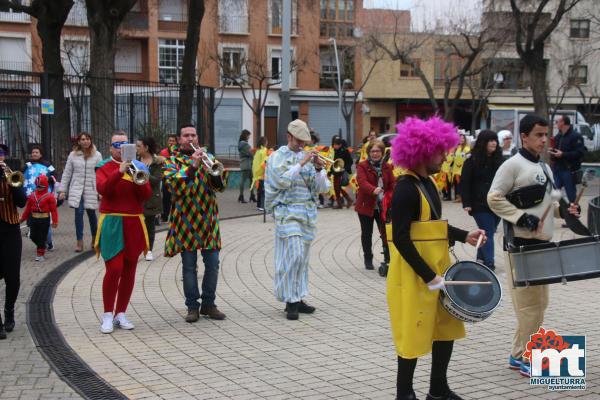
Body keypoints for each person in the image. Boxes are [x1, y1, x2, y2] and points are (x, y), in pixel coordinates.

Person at [388, 116, 485, 400]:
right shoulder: (405, 188)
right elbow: (401, 238)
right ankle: (404, 394)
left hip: (437, 271)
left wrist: (463, 234)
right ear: (422, 150)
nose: (445, 156)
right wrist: (428, 275)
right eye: (441, 151)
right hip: (413, 276)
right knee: (412, 333)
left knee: (446, 329)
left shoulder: (427, 183)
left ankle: (438, 389)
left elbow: (431, 225)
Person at [488, 114, 581, 378]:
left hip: (541, 246)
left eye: (545, 135)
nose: (543, 140)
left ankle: (518, 355)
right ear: (524, 136)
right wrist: (520, 217)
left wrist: (568, 211)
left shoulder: (545, 168)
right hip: (520, 246)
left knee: (538, 305)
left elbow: (551, 204)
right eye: (538, 135)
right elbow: (494, 198)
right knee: (530, 307)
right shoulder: (512, 165)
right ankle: (528, 356)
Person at [265, 119, 330, 320]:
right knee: (293, 254)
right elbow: (281, 181)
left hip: (306, 213)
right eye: (298, 140)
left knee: (302, 258)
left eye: (304, 141)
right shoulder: (277, 157)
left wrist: (319, 169)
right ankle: (290, 300)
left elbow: (323, 188)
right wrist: (301, 163)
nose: (302, 145)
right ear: (289, 137)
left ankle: (299, 297)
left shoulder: (309, 158)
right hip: (286, 212)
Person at [164, 125, 228, 323]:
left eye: (193, 134)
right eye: (186, 135)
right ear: (180, 139)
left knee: (213, 264)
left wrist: (213, 173)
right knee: (189, 266)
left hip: (208, 219)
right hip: (185, 221)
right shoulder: (171, 160)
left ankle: (209, 304)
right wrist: (192, 166)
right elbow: (174, 186)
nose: (190, 138)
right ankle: (192, 306)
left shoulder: (209, 157)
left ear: (198, 137)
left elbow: (221, 187)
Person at [95, 133, 152, 334]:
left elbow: (146, 196)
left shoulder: (139, 167)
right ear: (111, 148)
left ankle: (121, 313)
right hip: (112, 221)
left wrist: (139, 179)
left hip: (134, 221)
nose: (121, 148)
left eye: (125, 144)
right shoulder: (103, 166)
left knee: (129, 270)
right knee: (114, 268)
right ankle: (107, 314)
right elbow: (103, 189)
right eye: (117, 145)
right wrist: (119, 172)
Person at [461, 130, 503, 270]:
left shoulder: (500, 161)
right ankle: (490, 264)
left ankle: (480, 258)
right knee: (489, 232)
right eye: (490, 140)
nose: (494, 143)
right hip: (479, 204)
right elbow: (465, 182)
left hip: (497, 203)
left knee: (488, 231)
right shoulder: (471, 160)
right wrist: (466, 203)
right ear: (482, 143)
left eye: (495, 140)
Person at [58, 132, 103, 252]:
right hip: (77, 189)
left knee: (92, 215)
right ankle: (79, 242)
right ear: (79, 141)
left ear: (91, 140)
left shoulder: (97, 155)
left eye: (87, 139)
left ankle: (95, 239)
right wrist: (62, 190)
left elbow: (101, 173)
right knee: (78, 214)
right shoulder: (73, 155)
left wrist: (101, 190)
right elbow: (67, 173)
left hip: (91, 189)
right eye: (82, 139)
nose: (85, 141)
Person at [0, 144, 27, 339]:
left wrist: (11, 181)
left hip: (10, 229)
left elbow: (21, 202)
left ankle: (9, 310)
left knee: (13, 278)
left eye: (1, 154)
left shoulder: (12, 175)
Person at [355, 140, 394, 270]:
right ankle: (368, 257)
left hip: (383, 205)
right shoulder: (362, 165)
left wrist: (392, 196)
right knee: (367, 233)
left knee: (385, 232)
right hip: (366, 204)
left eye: (378, 151)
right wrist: (373, 189)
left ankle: (387, 257)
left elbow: (392, 184)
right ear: (368, 153)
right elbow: (361, 181)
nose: (375, 153)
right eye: (372, 151)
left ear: (382, 152)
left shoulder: (387, 167)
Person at [23, 145, 57, 250]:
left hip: (45, 196)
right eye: (33, 152)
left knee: (45, 223)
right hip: (31, 196)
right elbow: (21, 177)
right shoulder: (27, 165)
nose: (34, 154)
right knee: (33, 221)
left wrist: (48, 179)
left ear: (41, 154)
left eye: (36, 152)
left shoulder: (48, 164)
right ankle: (41, 243)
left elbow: (55, 175)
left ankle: (48, 242)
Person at [20, 174, 59, 262]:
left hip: (44, 219)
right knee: (32, 236)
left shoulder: (50, 196)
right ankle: (42, 246)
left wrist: (55, 221)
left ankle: (40, 254)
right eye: (37, 186)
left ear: (45, 186)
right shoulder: (32, 195)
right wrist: (22, 218)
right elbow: (28, 209)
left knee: (42, 237)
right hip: (33, 219)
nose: (39, 188)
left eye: (41, 186)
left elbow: (54, 210)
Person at [137, 136, 164, 262]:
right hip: (137, 197)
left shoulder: (157, 161)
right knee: (136, 225)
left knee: (150, 225)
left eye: (139, 146)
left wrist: (143, 172)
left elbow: (156, 180)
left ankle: (149, 250)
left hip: (151, 197)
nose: (136, 148)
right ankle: (137, 249)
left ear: (146, 147)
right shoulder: (135, 160)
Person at [550, 115, 585, 203]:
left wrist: (563, 154)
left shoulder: (576, 136)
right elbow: (557, 151)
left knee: (571, 196)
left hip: (568, 170)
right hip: (557, 169)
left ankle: (573, 214)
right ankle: (553, 212)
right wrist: (552, 152)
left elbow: (580, 153)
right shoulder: (558, 136)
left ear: (563, 123)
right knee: (553, 194)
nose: (556, 124)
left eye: (557, 122)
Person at [330, 137, 354, 209]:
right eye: (334, 144)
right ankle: (347, 200)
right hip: (336, 171)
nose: (335, 146)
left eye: (336, 144)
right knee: (336, 187)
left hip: (342, 171)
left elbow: (350, 161)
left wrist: (345, 169)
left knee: (338, 187)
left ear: (340, 145)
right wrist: (330, 171)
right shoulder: (334, 150)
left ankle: (342, 202)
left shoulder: (345, 151)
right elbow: (333, 162)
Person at [159, 134, 178, 222]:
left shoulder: (179, 152)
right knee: (166, 198)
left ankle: (174, 216)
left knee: (175, 198)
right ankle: (164, 216)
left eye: (173, 141)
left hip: (176, 178)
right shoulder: (163, 152)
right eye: (169, 141)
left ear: (176, 142)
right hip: (166, 178)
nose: (171, 143)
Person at [450, 134, 470, 203]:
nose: (461, 140)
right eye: (460, 138)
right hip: (456, 169)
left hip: (463, 168)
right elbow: (453, 158)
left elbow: (468, 159)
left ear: (465, 140)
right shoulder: (457, 148)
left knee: (461, 183)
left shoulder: (467, 149)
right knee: (456, 183)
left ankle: (462, 197)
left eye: (462, 138)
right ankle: (458, 197)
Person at [251, 136, 269, 212]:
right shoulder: (264, 151)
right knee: (263, 191)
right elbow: (265, 162)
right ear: (264, 143)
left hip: (257, 175)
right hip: (262, 174)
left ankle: (259, 205)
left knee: (259, 191)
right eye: (266, 142)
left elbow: (255, 163)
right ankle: (262, 206)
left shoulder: (258, 151)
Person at [238, 129, 254, 203]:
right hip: (247, 164)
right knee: (244, 180)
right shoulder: (245, 144)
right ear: (245, 135)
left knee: (251, 180)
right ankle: (241, 196)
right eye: (248, 136)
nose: (249, 137)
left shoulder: (241, 144)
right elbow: (251, 153)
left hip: (245, 163)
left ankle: (252, 196)